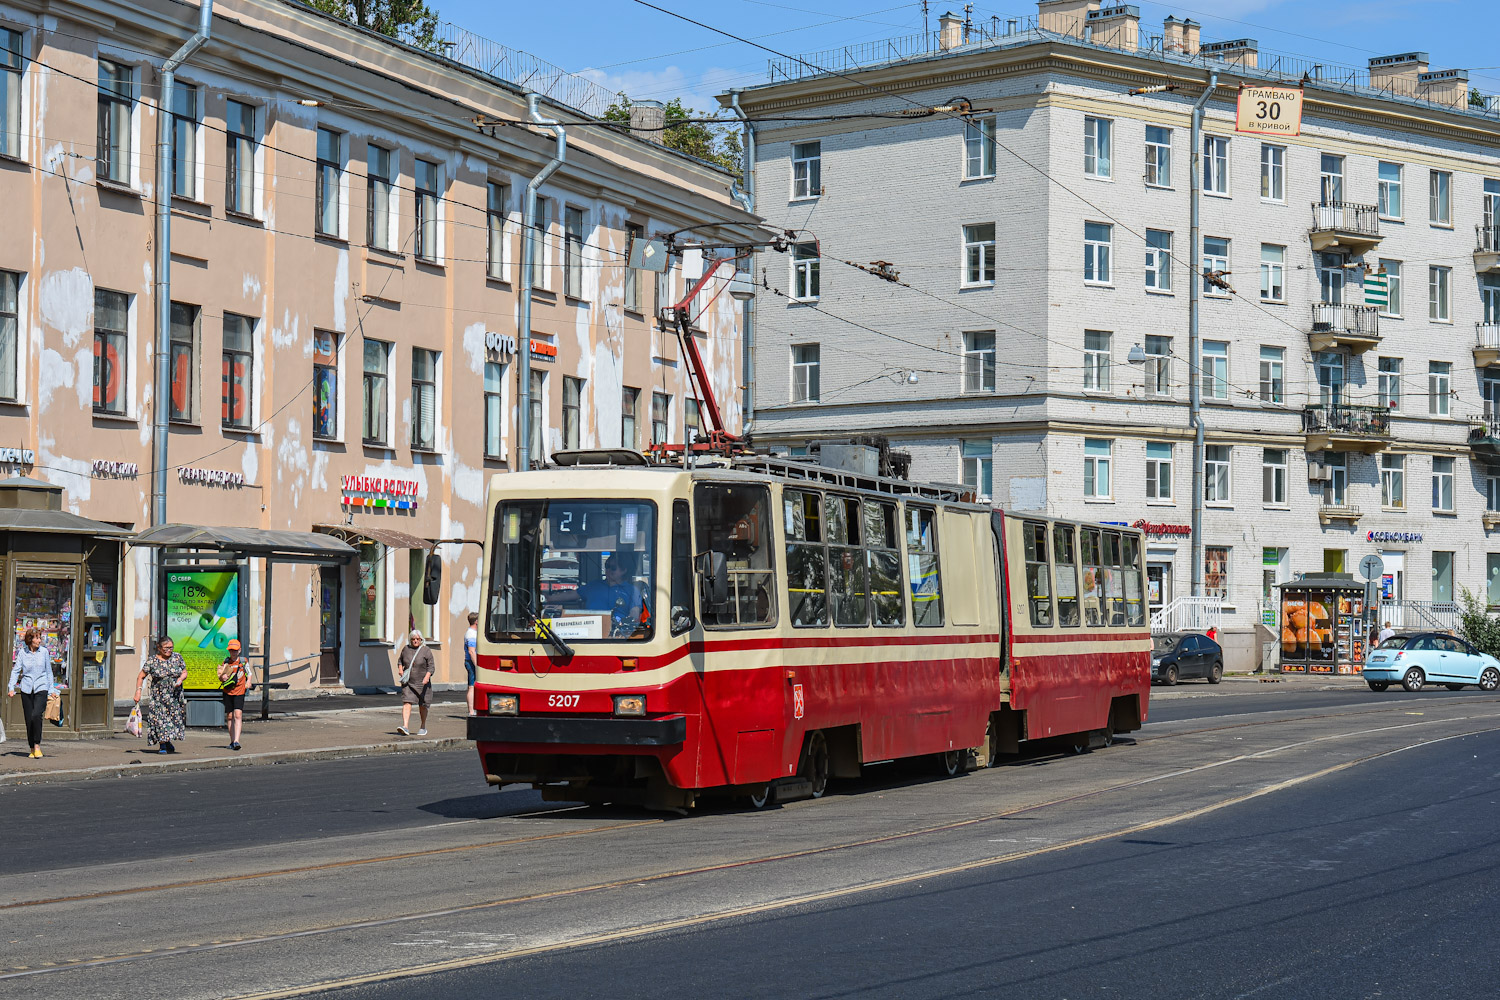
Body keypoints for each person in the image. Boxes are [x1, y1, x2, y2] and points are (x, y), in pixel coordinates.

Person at [8, 627, 56, 758]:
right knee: (29, 720)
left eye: (40, 637)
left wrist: (51, 689)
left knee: (36, 715)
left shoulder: (44, 652)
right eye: (37, 637)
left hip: (41, 687)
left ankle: (37, 745)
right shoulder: (23, 653)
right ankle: (31, 748)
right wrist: (11, 687)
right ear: (30, 639)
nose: (39, 640)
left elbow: (49, 671)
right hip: (27, 688)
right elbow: (16, 670)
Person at [136, 636, 187, 754]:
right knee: (160, 720)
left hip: (174, 696)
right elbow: (141, 676)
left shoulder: (177, 657)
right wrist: (138, 691)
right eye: (166, 648)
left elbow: (184, 672)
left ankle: (167, 741)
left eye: (171, 647)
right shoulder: (152, 661)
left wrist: (180, 679)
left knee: (172, 720)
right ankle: (162, 744)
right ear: (159, 648)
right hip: (159, 697)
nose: (169, 650)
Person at [577, 553, 645, 631]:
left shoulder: (632, 591)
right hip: (589, 630)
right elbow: (570, 595)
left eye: (613, 568)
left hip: (618, 633)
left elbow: (634, 614)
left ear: (623, 570)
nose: (608, 570)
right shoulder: (593, 586)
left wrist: (625, 623)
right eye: (607, 567)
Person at [394, 629, 435, 736]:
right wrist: (400, 669)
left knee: (423, 705)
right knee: (407, 702)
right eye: (413, 639)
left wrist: (427, 677)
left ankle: (423, 726)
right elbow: (400, 661)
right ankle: (405, 726)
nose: (415, 641)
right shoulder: (406, 649)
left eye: (417, 639)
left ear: (421, 639)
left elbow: (431, 667)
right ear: (410, 640)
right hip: (408, 682)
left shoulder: (426, 650)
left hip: (422, 684)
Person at [217, 639, 250, 751]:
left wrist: (248, 682)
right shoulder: (226, 662)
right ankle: (232, 741)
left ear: (239, 650)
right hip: (228, 691)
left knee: (238, 714)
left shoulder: (243, 661)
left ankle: (237, 741)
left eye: (235, 650)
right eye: (231, 650)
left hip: (239, 691)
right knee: (230, 716)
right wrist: (223, 677)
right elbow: (221, 676)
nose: (233, 652)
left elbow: (249, 673)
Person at [464, 611, 479, 717]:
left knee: (473, 686)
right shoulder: (471, 634)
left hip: (471, 662)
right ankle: (471, 711)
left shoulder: (472, 633)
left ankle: (473, 710)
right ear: (477, 622)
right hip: (471, 662)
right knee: (472, 686)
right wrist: (477, 665)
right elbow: (471, 651)